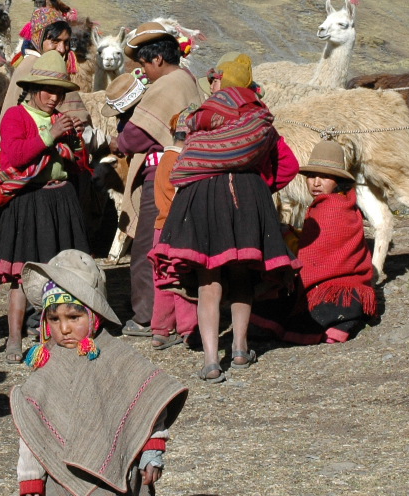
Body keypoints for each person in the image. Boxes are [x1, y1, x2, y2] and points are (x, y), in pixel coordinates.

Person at [11, 250, 188, 496]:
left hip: (104, 466)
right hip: (59, 469)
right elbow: (32, 426)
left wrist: (152, 451)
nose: (64, 328)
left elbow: (147, 401)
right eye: (55, 319)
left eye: (74, 317)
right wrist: (30, 475)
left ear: (92, 316)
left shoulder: (116, 357)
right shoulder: (45, 368)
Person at [152, 54, 298, 382]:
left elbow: (188, 157)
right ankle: (241, 349)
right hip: (247, 199)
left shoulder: (202, 116)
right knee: (242, 277)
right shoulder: (260, 118)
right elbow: (288, 165)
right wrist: (260, 187)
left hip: (202, 198)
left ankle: (209, 360)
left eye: (214, 79)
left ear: (220, 80)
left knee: (209, 278)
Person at [0, 50, 93, 359]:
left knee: (61, 275)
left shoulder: (60, 118)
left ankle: (56, 336)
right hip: (28, 201)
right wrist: (51, 135)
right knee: (23, 275)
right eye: (48, 90)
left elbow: (77, 164)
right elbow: (16, 155)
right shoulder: (16, 116)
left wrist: (75, 143)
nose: (53, 97)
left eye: (59, 92)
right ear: (32, 89)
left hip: (61, 199)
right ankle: (14, 339)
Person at [115, 22, 203, 335]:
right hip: (185, 174)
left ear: (157, 60)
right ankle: (178, 317)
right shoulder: (188, 80)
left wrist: (117, 141)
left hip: (161, 176)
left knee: (146, 249)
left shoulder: (167, 85)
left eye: (143, 65)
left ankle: (147, 317)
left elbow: (137, 136)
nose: (144, 72)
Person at [252, 140, 378, 344]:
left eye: (324, 177)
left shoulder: (328, 209)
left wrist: (285, 237)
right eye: (312, 176)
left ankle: (334, 325)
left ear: (337, 180)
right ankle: (343, 323)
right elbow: (324, 246)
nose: (316, 182)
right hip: (354, 293)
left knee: (277, 311)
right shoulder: (346, 203)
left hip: (334, 292)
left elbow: (310, 259)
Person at [150, 111, 198, 349]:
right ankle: (189, 328)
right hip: (178, 228)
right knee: (182, 279)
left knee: (162, 280)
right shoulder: (181, 161)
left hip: (160, 229)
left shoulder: (164, 158)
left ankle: (160, 329)